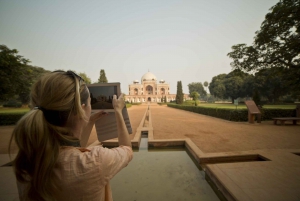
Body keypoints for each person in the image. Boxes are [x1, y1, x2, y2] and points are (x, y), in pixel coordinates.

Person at [9, 70, 133, 201]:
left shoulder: (27, 161)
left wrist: (89, 120)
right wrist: (118, 111)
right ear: (82, 108)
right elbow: (127, 149)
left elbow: (72, 149)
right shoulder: (95, 161)